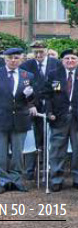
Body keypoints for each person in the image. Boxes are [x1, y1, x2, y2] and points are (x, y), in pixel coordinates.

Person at [45, 49, 78, 192]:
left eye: (73, 58)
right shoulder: (54, 74)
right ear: (62, 61)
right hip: (59, 118)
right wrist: (49, 111)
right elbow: (47, 95)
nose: (70, 61)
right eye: (67, 58)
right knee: (57, 150)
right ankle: (56, 179)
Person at [20, 41, 62, 179]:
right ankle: (30, 171)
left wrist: (54, 105)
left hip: (51, 107)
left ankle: (49, 170)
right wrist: (30, 104)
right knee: (33, 139)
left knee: (50, 139)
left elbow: (58, 86)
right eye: (36, 52)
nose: (38, 54)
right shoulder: (26, 66)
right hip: (33, 108)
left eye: (41, 51)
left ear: (47, 50)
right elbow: (23, 88)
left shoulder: (56, 64)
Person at [0, 48, 37, 193]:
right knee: (1, 153)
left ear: (21, 59)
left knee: (17, 153)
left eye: (16, 58)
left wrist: (30, 95)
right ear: (4, 59)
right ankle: (2, 181)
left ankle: (16, 180)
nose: (13, 60)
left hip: (20, 119)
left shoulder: (28, 75)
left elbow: (33, 100)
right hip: (1, 119)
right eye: (10, 58)